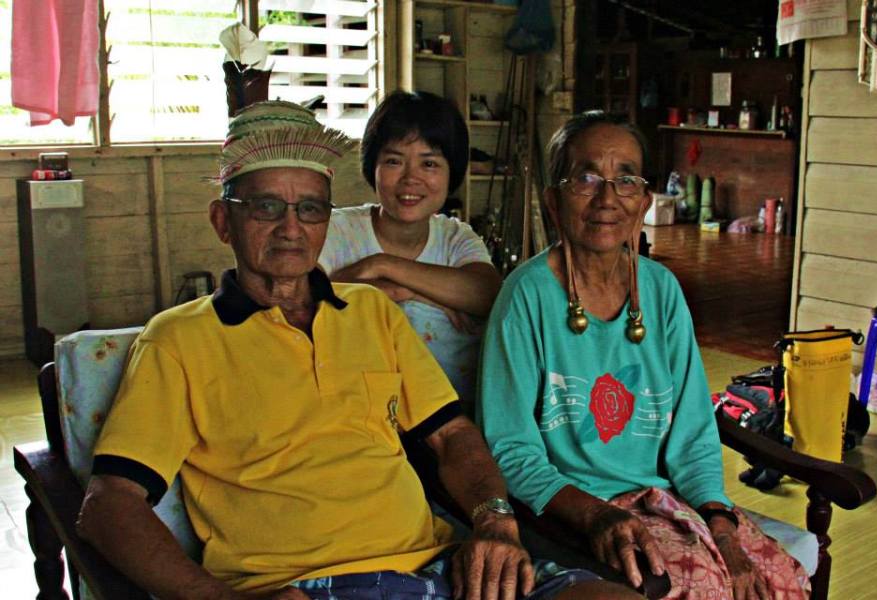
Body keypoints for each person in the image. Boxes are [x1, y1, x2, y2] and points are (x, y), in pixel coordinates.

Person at [76, 100, 638, 600]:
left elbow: (452, 436)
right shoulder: (178, 339)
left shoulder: (371, 313)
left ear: (328, 218)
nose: (291, 229)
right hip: (301, 586)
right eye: (266, 208)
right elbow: (110, 503)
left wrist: (494, 523)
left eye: (311, 209)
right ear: (224, 221)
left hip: (444, 567)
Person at [477, 111, 810, 600]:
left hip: (662, 502)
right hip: (570, 512)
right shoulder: (525, 296)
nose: (607, 198)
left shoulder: (661, 290)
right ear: (553, 200)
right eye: (586, 177)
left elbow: (693, 429)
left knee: (774, 583)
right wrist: (595, 515)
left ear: (645, 201)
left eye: (626, 179)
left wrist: (721, 524)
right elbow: (511, 449)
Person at [317, 91, 501, 412]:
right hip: (362, 411)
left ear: (450, 174)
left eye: (429, 163)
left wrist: (385, 267)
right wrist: (427, 295)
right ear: (372, 167)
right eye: (394, 161)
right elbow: (308, 299)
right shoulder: (337, 230)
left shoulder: (456, 237)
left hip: (456, 410)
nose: (410, 179)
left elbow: (486, 294)